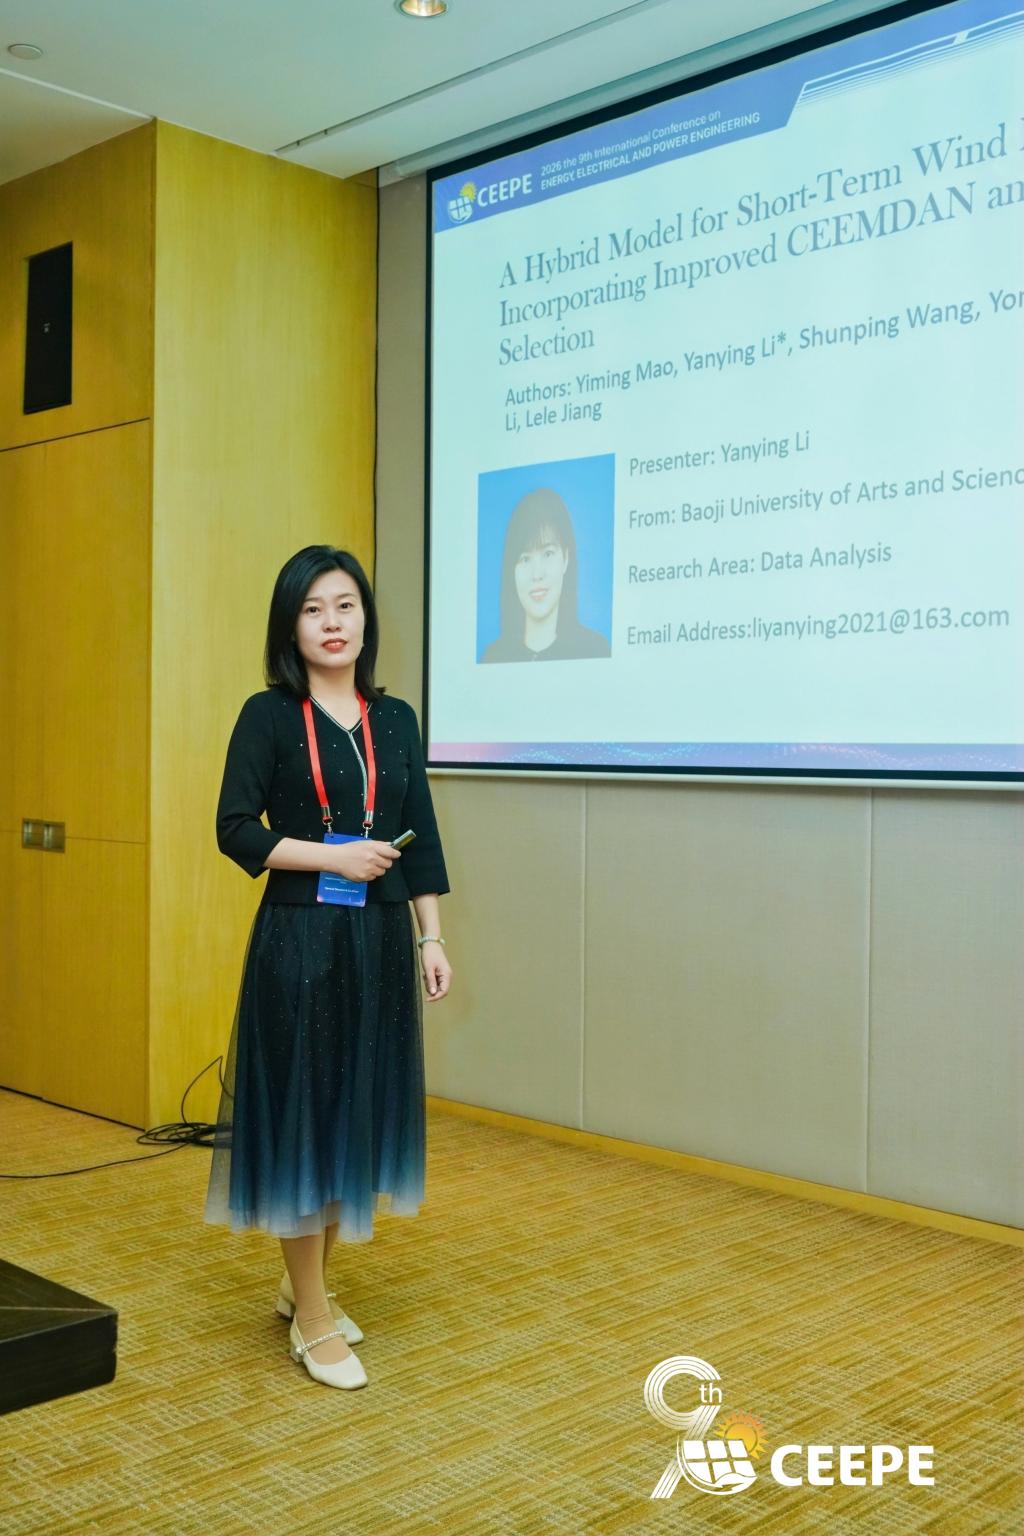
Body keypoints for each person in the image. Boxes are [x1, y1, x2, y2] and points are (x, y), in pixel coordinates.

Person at [204, 544, 452, 1390]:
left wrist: (431, 937)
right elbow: (235, 829)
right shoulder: (268, 715)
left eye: (345, 605)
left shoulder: (396, 719)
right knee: (305, 1122)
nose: (332, 622)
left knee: (353, 1120)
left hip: (378, 943)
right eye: (313, 609)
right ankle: (312, 1317)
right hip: (301, 943)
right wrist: (331, 858)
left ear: (366, 619)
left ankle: (301, 1284)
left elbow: (423, 836)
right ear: (291, 626)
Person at [480, 487, 611, 663]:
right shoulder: (493, 657)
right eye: (525, 559)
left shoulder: (595, 650)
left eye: (548, 554)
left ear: (566, 559)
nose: (537, 574)